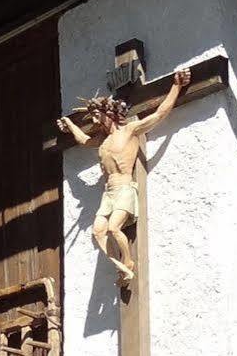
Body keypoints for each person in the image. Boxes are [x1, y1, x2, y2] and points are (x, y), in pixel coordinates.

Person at [56, 68, 191, 285]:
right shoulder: (103, 142)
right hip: (109, 193)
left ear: (110, 114)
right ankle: (122, 266)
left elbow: (159, 114)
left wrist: (177, 86)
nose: (98, 123)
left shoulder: (130, 130)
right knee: (98, 232)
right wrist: (71, 125)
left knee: (113, 228)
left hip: (125, 188)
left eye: (100, 118)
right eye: (96, 120)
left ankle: (128, 262)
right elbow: (83, 140)